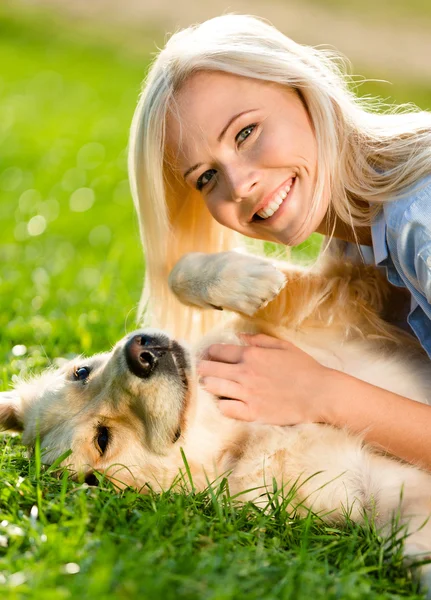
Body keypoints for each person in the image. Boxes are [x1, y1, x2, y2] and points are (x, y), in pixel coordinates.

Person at [128, 14, 431, 469]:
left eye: (246, 132)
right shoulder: (360, 230)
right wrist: (191, 278)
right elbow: (344, 310)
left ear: (304, 89)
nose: (240, 185)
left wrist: (321, 393)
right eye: (207, 177)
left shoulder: (418, 221)